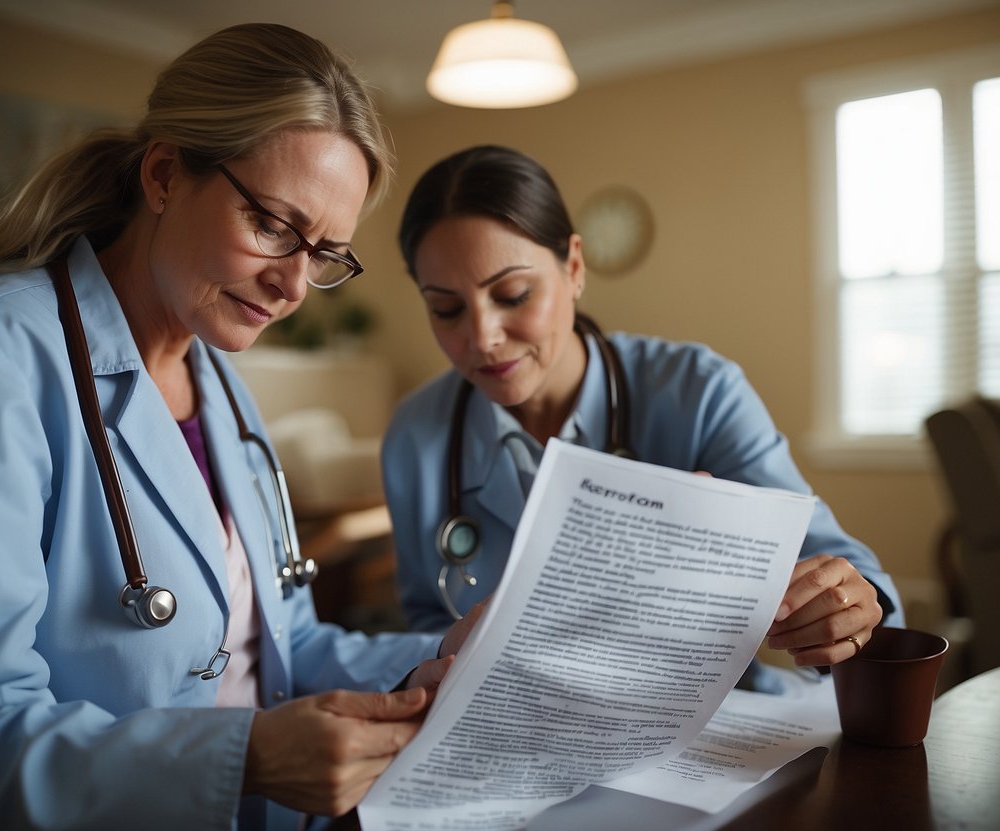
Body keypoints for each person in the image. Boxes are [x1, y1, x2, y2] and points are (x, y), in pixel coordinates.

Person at [0, 24, 481, 831]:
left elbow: (278, 643)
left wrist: (447, 658)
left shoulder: (217, 378)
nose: (294, 284)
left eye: (325, 253)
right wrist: (248, 757)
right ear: (162, 174)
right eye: (272, 226)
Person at [382, 144, 903, 693]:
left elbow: (837, 570)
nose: (482, 337)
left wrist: (845, 609)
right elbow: (427, 621)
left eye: (513, 294)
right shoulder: (415, 436)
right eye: (446, 309)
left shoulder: (700, 392)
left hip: (715, 725)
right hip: (513, 734)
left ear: (575, 267)